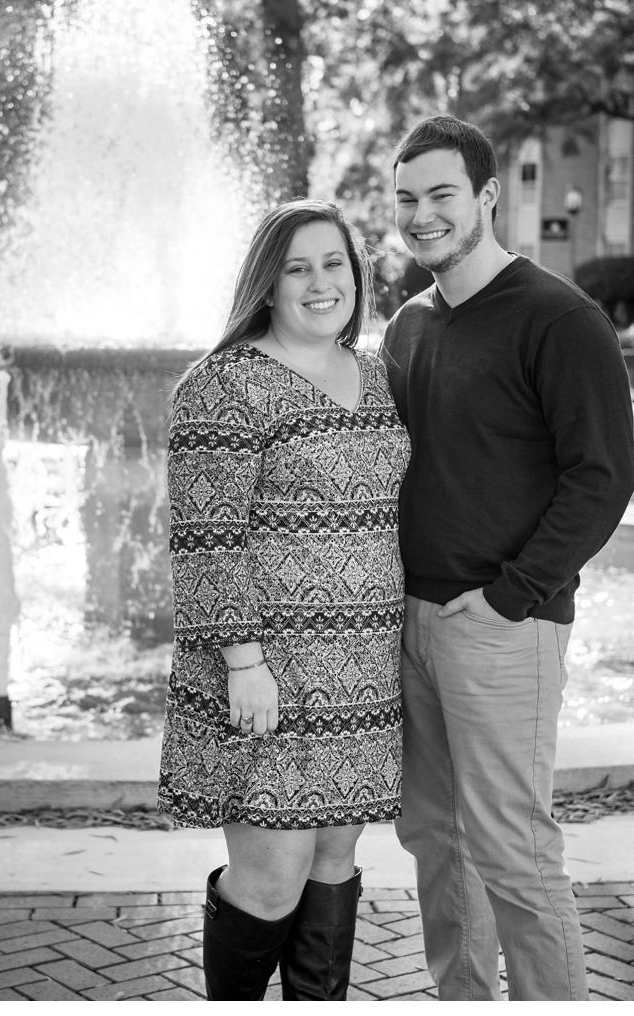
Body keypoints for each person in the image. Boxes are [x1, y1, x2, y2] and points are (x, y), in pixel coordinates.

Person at [381, 115, 634, 1000]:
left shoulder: (561, 320)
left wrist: (510, 597)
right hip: (411, 624)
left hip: (501, 626)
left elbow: (601, 481)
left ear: (488, 196)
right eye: (407, 199)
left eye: (442, 195)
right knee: (434, 840)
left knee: (513, 852)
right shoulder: (408, 325)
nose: (422, 216)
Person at [160, 199, 407, 1000]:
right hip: (265, 675)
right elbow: (204, 539)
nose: (319, 281)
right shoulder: (223, 384)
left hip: (362, 676)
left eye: (333, 262)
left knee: (334, 863)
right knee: (271, 878)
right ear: (268, 284)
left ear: (356, 275)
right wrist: (244, 662)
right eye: (297, 267)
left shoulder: (376, 374)